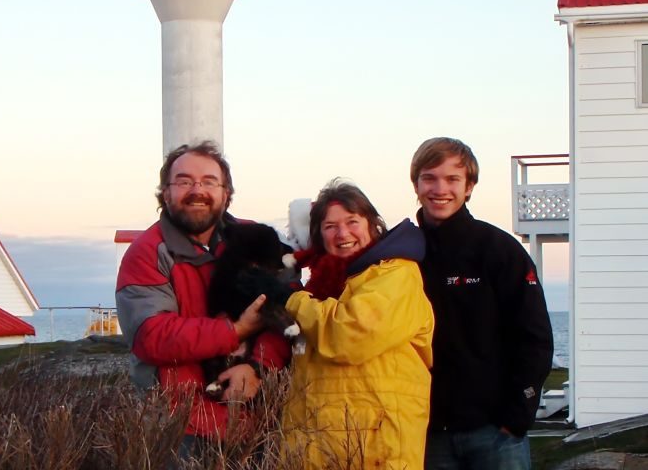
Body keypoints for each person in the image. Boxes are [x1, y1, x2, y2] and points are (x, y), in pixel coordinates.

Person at [115, 141, 292, 460]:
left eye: (209, 181)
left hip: (262, 422)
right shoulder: (146, 253)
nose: (197, 190)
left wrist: (257, 367)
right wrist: (235, 331)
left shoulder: (255, 237)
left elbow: (289, 306)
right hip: (184, 431)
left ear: (227, 193)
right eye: (183, 181)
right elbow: (151, 336)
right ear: (165, 193)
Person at [411, 137, 553, 469]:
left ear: (469, 186)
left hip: (495, 433)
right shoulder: (403, 253)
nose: (440, 188)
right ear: (416, 184)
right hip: (426, 433)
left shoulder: (499, 250)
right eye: (429, 178)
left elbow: (535, 338)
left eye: (452, 179)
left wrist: (516, 415)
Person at [276, 180, 435, 469]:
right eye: (330, 226)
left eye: (352, 221)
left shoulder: (396, 273)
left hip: (376, 451)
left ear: (373, 224)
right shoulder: (321, 288)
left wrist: (291, 299)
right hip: (318, 447)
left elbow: (348, 335)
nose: (342, 233)